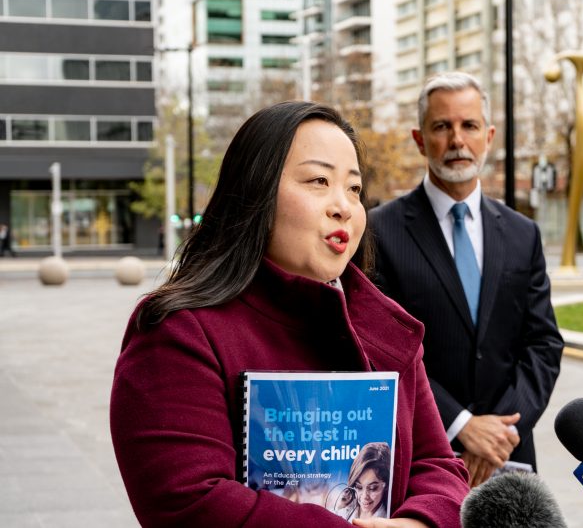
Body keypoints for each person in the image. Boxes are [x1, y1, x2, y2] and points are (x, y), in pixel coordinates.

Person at [110, 101, 469, 528]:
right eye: (319, 180)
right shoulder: (178, 331)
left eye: (354, 189)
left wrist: (421, 523)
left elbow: (440, 466)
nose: (344, 207)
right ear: (255, 193)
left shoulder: (386, 327)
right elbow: (188, 500)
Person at [368, 72, 564, 487]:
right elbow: (381, 349)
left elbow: (543, 344)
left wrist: (502, 432)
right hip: (423, 455)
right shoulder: (379, 232)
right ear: (420, 139)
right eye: (442, 126)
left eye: (469, 125)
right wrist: (460, 425)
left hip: (508, 456)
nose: (457, 140)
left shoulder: (521, 232)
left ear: (488, 136)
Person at [336, 442, 391, 521]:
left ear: (386, 485)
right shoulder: (344, 509)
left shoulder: (389, 518)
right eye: (359, 487)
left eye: (373, 488)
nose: (364, 496)